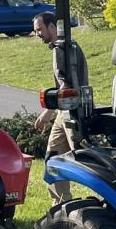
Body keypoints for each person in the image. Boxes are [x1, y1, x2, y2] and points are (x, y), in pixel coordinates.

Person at [32, 12, 86, 203]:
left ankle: (109, 203)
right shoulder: (63, 47)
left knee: (86, 161)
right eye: (36, 30)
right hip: (64, 112)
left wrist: (48, 111)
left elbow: (66, 87)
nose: (37, 34)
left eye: (40, 29)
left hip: (73, 112)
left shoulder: (62, 49)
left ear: (52, 27)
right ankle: (61, 206)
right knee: (53, 159)